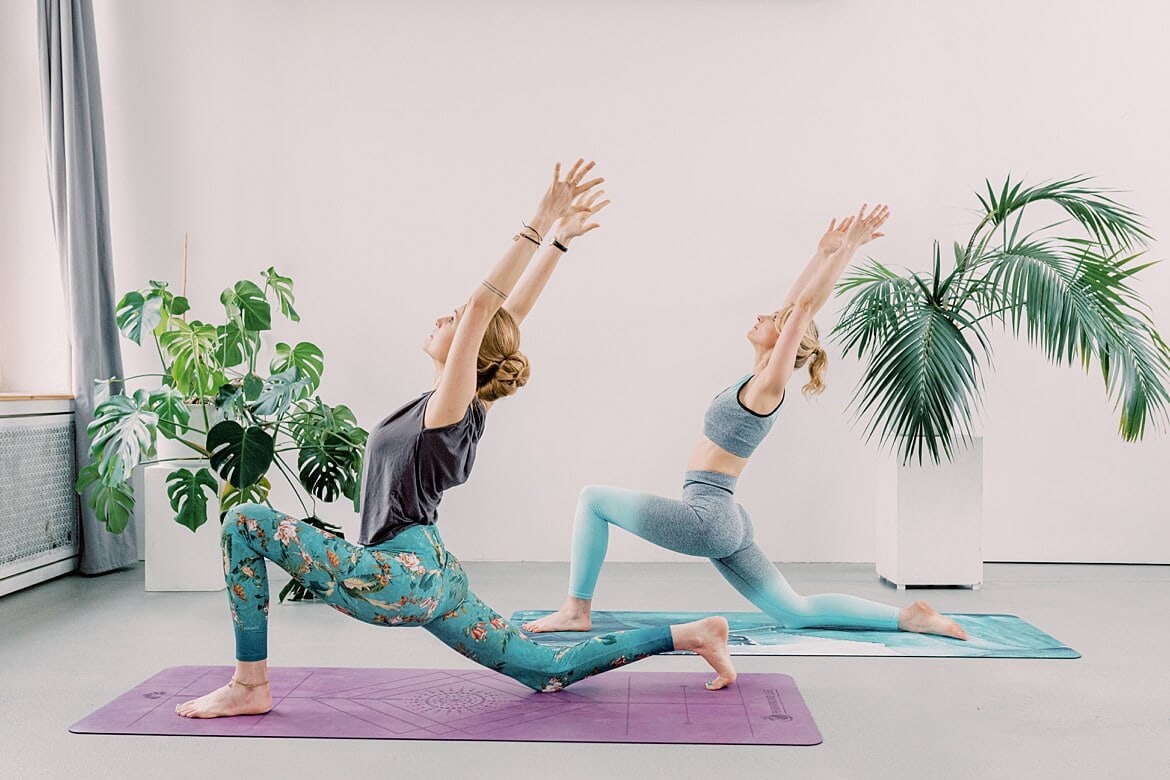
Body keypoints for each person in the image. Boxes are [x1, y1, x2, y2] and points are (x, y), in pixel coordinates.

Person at [176, 160, 735, 719]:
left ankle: (249, 685)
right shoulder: (468, 404)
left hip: (396, 575)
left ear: (470, 344)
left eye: (455, 320)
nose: (446, 318)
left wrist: (541, 217)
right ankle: (692, 635)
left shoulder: (448, 407)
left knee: (243, 522)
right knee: (547, 670)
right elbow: (508, 316)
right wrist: (558, 244)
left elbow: (485, 308)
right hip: (436, 575)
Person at [523, 204, 969, 641]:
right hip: (726, 515)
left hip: (707, 517)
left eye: (773, 321)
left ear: (787, 339)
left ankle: (576, 610)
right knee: (795, 612)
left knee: (593, 500)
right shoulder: (755, 379)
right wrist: (822, 252)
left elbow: (803, 308)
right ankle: (907, 617)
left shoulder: (767, 386)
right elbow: (794, 304)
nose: (762, 316)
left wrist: (849, 249)